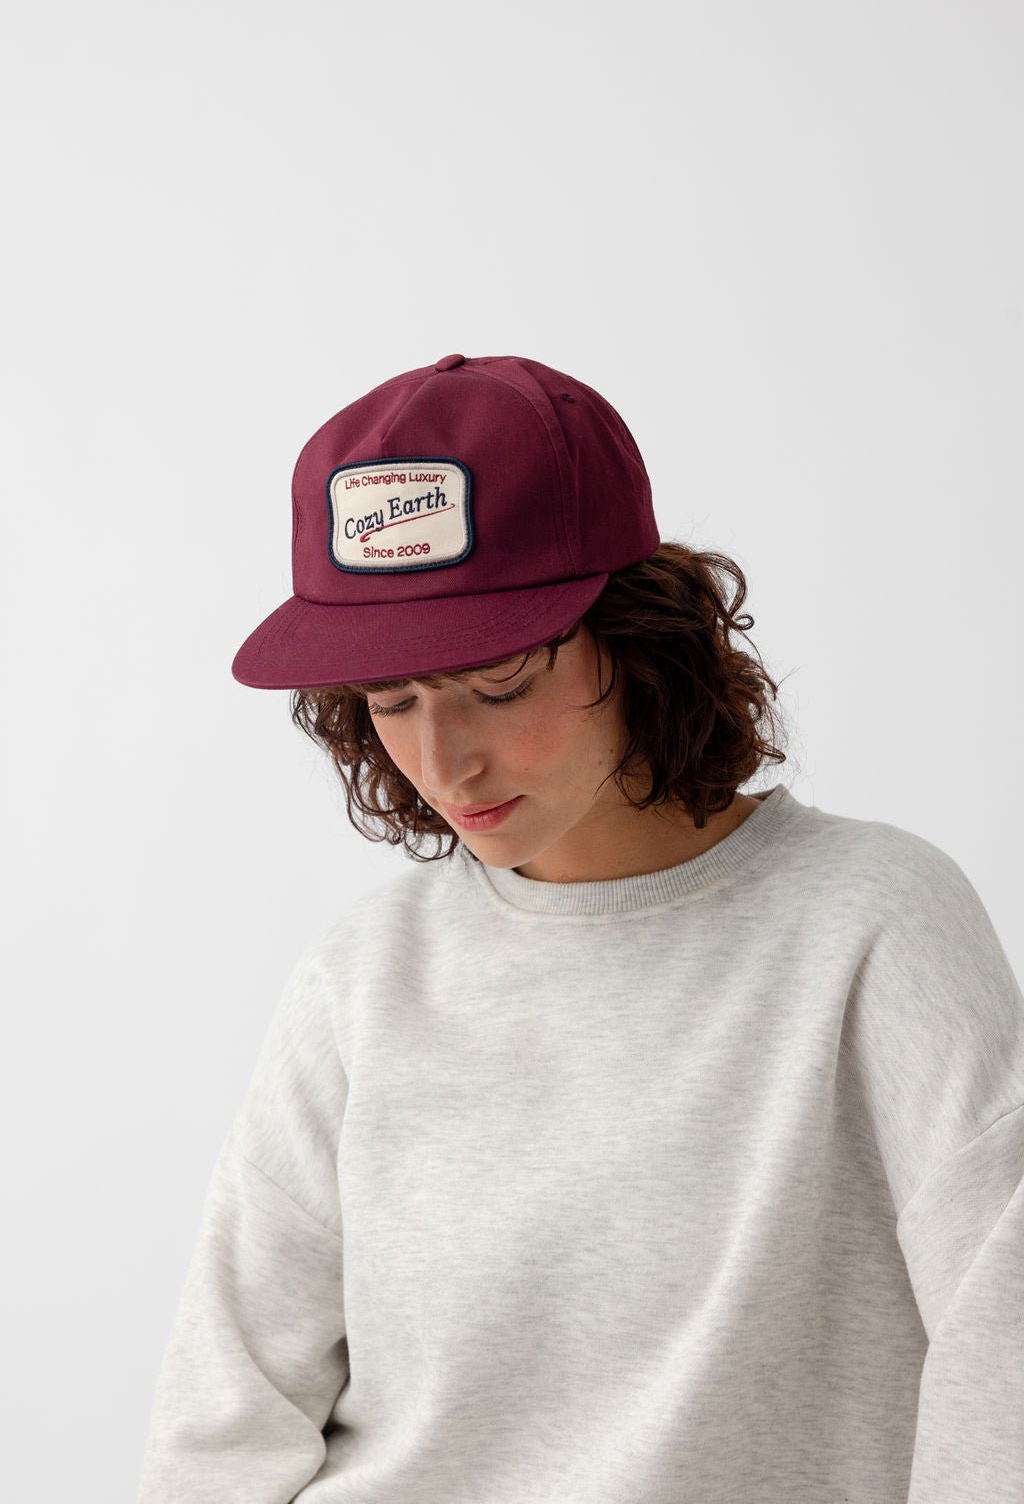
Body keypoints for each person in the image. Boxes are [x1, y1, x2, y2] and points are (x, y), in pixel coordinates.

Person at [136, 353, 1024, 1504]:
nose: (444, 761)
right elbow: (224, 1423)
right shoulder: (363, 977)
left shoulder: (872, 925)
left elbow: (1002, 1342)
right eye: (392, 699)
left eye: (498, 682)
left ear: (640, 637)